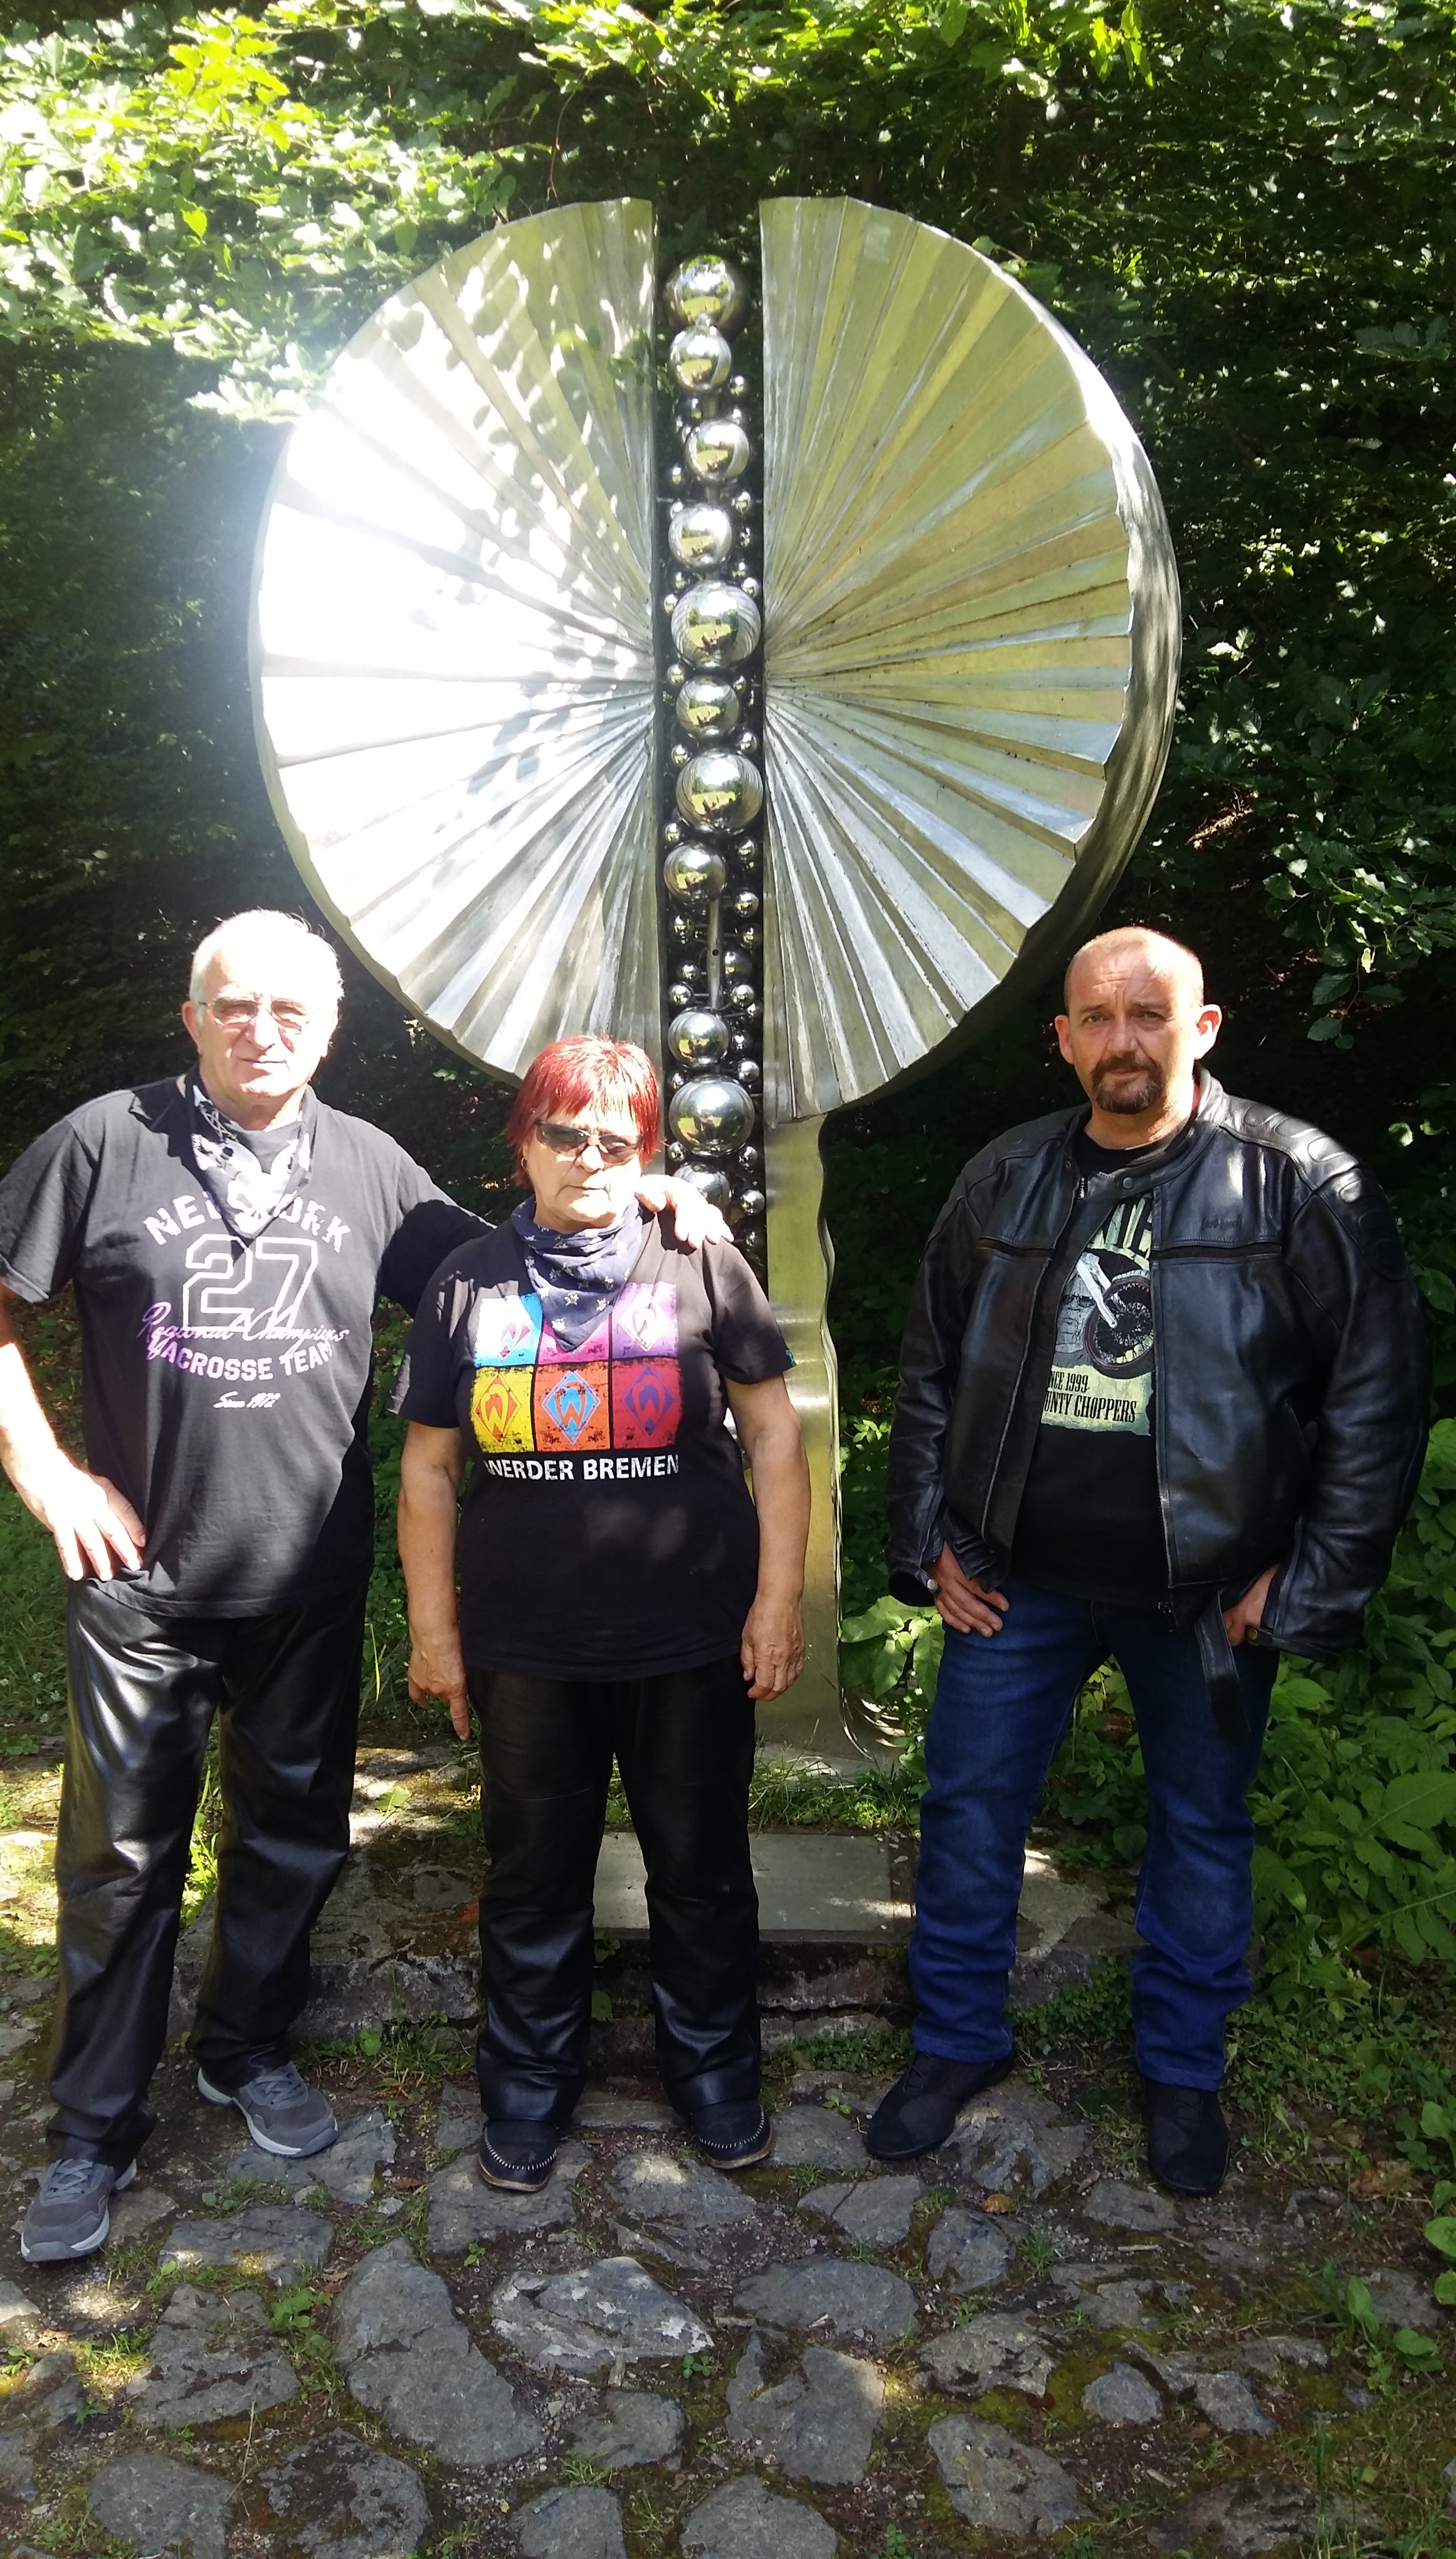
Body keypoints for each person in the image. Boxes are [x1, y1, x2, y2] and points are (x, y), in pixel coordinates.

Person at [0, 913, 724, 2262]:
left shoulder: (369, 1167)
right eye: (234, 1005)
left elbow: (518, 1253)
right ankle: (93, 2129)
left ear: (329, 1030)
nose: (260, 1028)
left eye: (290, 1008)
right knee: (118, 1863)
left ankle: (248, 2050)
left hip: (309, 1572)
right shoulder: (102, 1144)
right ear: (192, 1016)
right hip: (143, 1581)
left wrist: (647, 1193)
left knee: (291, 1836)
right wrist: (46, 1473)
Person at [870, 925, 1427, 2193]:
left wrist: (1309, 1578)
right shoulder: (1004, 1177)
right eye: (1098, 1017)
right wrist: (929, 1539)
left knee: (1200, 1822)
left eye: (1149, 1014)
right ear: (1063, 1039)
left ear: (1202, 1027)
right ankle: (955, 2041)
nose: (1123, 1041)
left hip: (1206, 1594)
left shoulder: (1298, 1185)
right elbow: (930, 1368)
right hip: (1016, 1579)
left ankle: (1181, 2071)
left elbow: (1376, 1399)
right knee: (967, 1810)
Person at [394, 1034, 810, 2187]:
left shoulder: (700, 1261)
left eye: (615, 1140)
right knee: (532, 1874)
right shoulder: (467, 1280)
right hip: (527, 1643)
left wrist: (777, 1601)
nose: (587, 1156)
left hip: (688, 1634)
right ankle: (528, 2086)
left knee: (701, 1868)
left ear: (648, 1152)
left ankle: (713, 2073)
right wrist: (435, 1634)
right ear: (523, 1143)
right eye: (563, 1133)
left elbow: (775, 1437)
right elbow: (427, 1469)